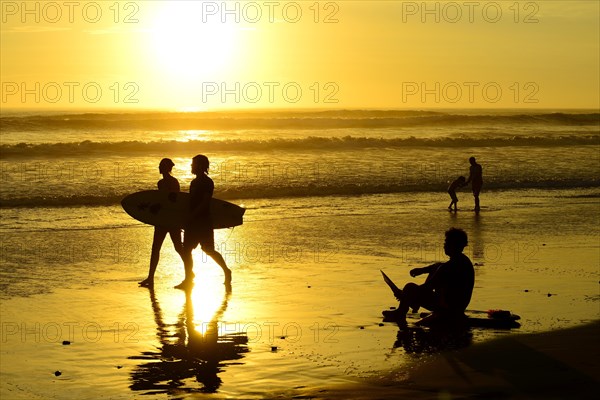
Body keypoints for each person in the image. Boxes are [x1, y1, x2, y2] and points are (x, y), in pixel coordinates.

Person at [383, 228, 474, 327]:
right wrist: (422, 270)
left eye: (447, 242)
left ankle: (400, 313)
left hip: (448, 308)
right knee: (433, 270)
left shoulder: (448, 267)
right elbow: (437, 266)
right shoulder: (463, 261)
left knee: (410, 287)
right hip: (459, 306)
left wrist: (405, 295)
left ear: (454, 245)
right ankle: (406, 307)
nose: (444, 245)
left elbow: (427, 288)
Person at [175, 154, 231, 289]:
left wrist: (192, 215)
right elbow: (190, 202)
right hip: (192, 222)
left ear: (200, 166)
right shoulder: (193, 182)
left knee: (208, 249)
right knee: (186, 249)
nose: (191, 166)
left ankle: (226, 270)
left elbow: (205, 202)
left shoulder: (207, 182)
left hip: (203, 221)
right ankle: (188, 278)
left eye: (193, 164)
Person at [139, 158, 184, 288]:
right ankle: (150, 278)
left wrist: (179, 221)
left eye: (161, 165)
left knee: (178, 248)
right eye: (159, 165)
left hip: (171, 220)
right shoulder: (160, 183)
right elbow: (161, 201)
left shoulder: (174, 182)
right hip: (161, 220)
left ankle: (190, 273)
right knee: (155, 248)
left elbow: (175, 201)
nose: (159, 167)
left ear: (166, 168)